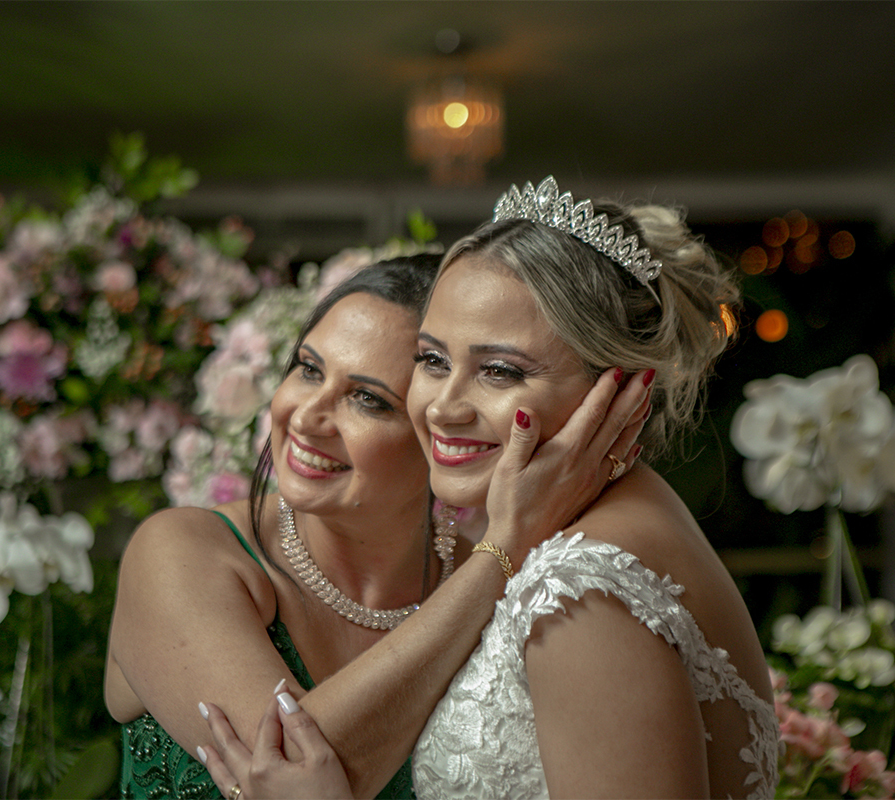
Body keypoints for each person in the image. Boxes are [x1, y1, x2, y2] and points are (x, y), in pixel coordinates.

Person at [200, 177, 781, 799]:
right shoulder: (618, 526)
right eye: (432, 360)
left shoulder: (582, 585)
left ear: (620, 387)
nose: (444, 408)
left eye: (499, 371)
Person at [104, 251, 649, 798]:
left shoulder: (525, 584)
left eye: (368, 399)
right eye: (308, 368)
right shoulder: (182, 551)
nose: (306, 416)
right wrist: (505, 547)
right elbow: (284, 769)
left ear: (439, 431)